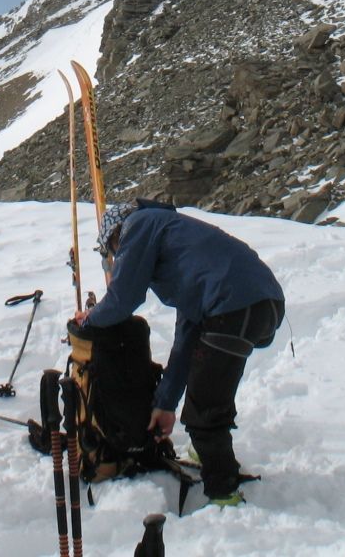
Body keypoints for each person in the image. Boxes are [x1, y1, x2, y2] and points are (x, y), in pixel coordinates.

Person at [74, 199, 284, 506]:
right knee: (211, 389)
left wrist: (90, 320)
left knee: (204, 410)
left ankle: (224, 493)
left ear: (116, 235)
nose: (118, 258)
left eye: (115, 251)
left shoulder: (140, 224)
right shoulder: (181, 245)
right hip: (261, 306)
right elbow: (187, 338)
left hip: (232, 306)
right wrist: (166, 404)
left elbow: (124, 297)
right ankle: (208, 451)